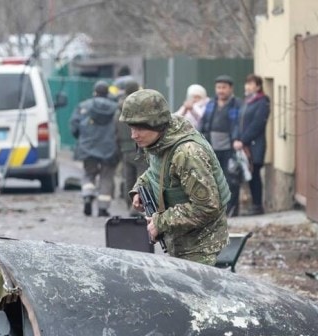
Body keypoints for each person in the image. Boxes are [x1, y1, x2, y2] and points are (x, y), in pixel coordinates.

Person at [121, 89, 230, 265]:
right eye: (131, 128)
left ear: (156, 124)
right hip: (181, 240)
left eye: (140, 128)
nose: (134, 135)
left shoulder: (187, 153)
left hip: (200, 246)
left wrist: (160, 222)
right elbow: (158, 171)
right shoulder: (160, 142)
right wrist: (140, 188)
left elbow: (207, 207)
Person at [70, 80, 119, 217]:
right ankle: (103, 208)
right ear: (107, 93)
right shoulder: (115, 109)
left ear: (94, 92)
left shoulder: (83, 106)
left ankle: (87, 194)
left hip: (88, 146)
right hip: (109, 148)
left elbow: (74, 125)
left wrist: (81, 138)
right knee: (106, 176)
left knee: (89, 173)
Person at [200, 75, 242, 216]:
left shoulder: (237, 104)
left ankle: (232, 208)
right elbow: (203, 123)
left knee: (231, 179)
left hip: (229, 148)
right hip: (212, 147)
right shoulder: (211, 103)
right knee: (213, 179)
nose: (221, 91)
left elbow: (238, 125)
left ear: (230, 89)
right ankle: (217, 209)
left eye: (224, 87)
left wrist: (237, 139)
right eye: (218, 87)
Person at [234, 74, 271, 216]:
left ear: (258, 86)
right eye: (246, 83)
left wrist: (243, 140)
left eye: (251, 84)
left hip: (255, 145)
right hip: (243, 145)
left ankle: (257, 205)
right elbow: (239, 122)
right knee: (247, 174)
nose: (247, 87)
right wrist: (237, 138)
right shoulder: (247, 101)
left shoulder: (263, 101)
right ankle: (251, 204)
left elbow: (257, 124)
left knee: (254, 174)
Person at [115, 79, 145, 211]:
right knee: (142, 179)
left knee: (128, 178)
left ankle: (129, 206)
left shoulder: (118, 110)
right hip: (141, 148)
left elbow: (115, 131)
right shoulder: (140, 109)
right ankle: (137, 209)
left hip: (125, 149)